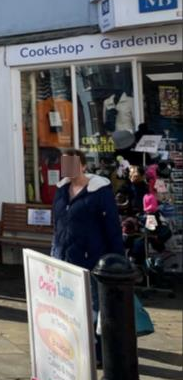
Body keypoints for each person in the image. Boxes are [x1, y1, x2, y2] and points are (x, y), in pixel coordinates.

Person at [51, 149, 124, 367]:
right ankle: (74, 347)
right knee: (69, 307)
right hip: (64, 258)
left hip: (91, 258)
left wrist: (118, 260)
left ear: (83, 166)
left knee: (94, 307)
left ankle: (100, 353)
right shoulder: (61, 191)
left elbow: (112, 226)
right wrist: (54, 252)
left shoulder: (99, 191)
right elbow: (57, 225)